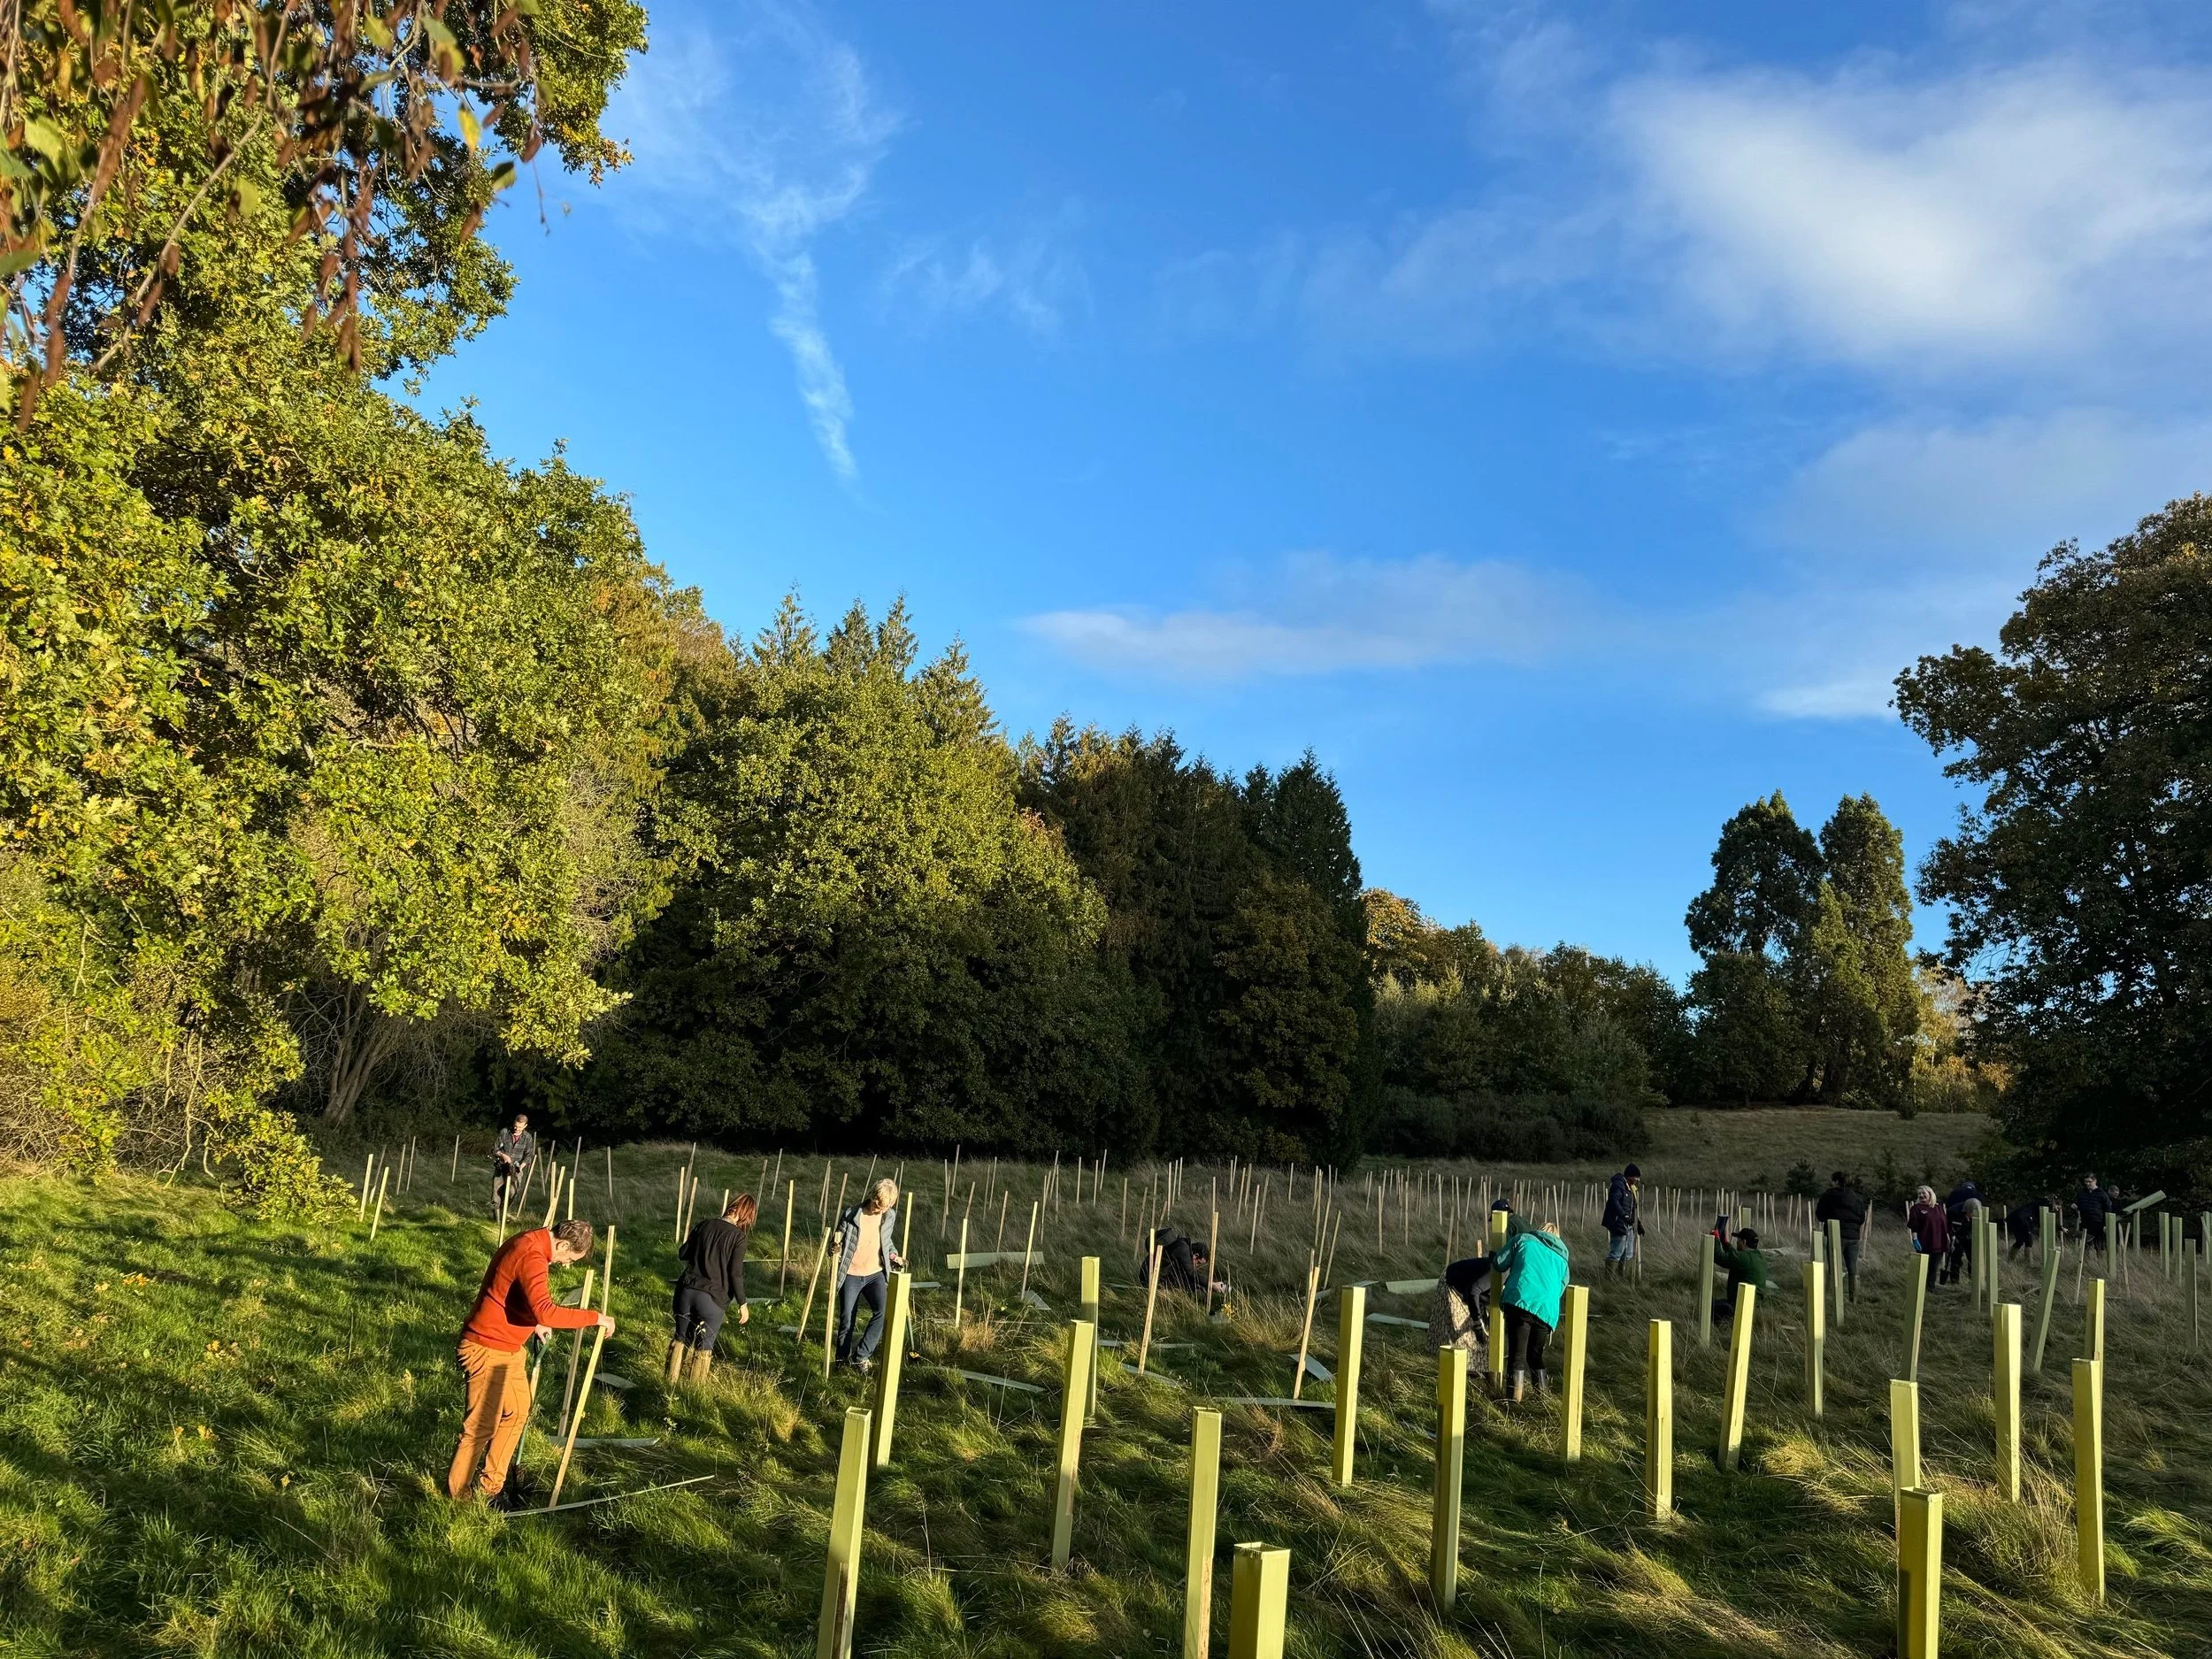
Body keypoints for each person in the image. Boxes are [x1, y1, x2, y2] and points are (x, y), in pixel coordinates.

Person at [447, 1216, 611, 1507]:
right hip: (485, 1347)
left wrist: (532, 1322)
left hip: (509, 1347)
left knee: (517, 1412)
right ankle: (460, 1499)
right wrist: (594, 1317)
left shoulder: (530, 1240)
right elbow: (547, 1310)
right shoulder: (532, 1255)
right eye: (569, 1258)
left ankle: (490, 1488)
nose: (566, 1264)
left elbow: (506, 1288)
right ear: (561, 1243)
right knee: (481, 1426)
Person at [669, 1192, 757, 1385]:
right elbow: (735, 1274)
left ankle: (669, 1383)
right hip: (713, 1299)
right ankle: (694, 1393)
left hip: (686, 1291)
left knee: (680, 1339)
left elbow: (683, 1253)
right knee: (704, 1347)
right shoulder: (739, 1238)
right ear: (746, 1215)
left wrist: (697, 1238)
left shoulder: (704, 1224)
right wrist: (742, 1303)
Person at [833, 1179, 906, 1373]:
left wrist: (893, 1256)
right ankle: (841, 1361)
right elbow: (837, 1241)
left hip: (875, 1273)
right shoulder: (851, 1215)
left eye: (884, 1208)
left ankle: (861, 1357)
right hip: (851, 1274)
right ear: (872, 1198)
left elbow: (886, 1241)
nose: (878, 1210)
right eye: (877, 1205)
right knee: (847, 1319)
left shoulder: (889, 1216)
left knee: (882, 1312)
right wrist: (835, 1248)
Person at [1493, 1219, 1570, 1402]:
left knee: (1517, 1356)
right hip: (1546, 1311)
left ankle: (1512, 1403)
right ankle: (1543, 1401)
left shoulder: (1523, 1240)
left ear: (1539, 1230)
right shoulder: (1562, 1260)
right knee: (1535, 1356)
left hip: (1520, 1301)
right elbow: (1560, 1288)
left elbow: (1499, 1263)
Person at [1813, 1171, 1870, 1302]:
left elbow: (1820, 1214)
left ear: (1836, 1181)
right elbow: (1862, 1218)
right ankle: (1853, 1299)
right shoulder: (1857, 1198)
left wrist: (1829, 1219)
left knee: (1834, 1267)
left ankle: (1834, 1298)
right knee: (1853, 1268)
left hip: (1836, 1234)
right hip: (1854, 1237)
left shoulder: (1829, 1195)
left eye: (1832, 1180)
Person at [1427, 1254, 1492, 1356]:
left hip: (1472, 1292)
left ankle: (1475, 1368)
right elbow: (1473, 1292)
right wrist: (1477, 1323)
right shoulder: (1496, 1273)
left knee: (1481, 1339)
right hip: (1453, 1283)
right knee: (1456, 1334)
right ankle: (1447, 1361)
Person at [1710, 1220, 1768, 1330]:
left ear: (1744, 1242)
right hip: (1754, 1305)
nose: (1736, 1242)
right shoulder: (1757, 1257)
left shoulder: (1745, 1259)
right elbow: (1736, 1256)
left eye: (1738, 1240)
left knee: (1710, 1308)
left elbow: (1719, 1258)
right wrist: (1725, 1242)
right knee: (1717, 1304)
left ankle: (1722, 1329)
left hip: (1741, 1306)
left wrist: (1715, 1239)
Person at [1140, 1229, 1225, 1297]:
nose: (1197, 1265)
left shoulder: (1181, 1247)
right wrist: (1211, 1284)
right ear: (1195, 1255)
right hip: (1149, 1277)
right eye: (1198, 1262)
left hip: (1152, 1275)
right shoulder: (1183, 1250)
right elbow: (1191, 1274)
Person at [490, 1112, 535, 1220]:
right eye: (515, 1126)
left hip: (516, 1169)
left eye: (519, 1127)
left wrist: (521, 1166)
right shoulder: (505, 1132)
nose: (516, 1128)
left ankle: (504, 1212)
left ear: (525, 1126)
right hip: (501, 1168)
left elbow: (529, 1156)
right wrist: (503, 1155)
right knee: (496, 1194)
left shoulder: (528, 1138)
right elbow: (494, 1150)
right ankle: (496, 1220)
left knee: (512, 1193)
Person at [1601, 1164, 1642, 1276]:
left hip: (1629, 1225)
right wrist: (1625, 1216)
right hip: (1617, 1223)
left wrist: (1637, 1223)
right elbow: (1614, 1201)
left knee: (1628, 1253)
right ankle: (1610, 1280)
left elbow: (1632, 1208)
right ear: (1629, 1176)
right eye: (1636, 1177)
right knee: (1616, 1252)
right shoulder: (1618, 1185)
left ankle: (1623, 1278)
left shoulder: (1631, 1189)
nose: (1637, 1180)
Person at [1941, 1181, 1982, 1286]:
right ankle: (1954, 1281)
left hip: (1970, 1234)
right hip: (1957, 1233)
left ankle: (1973, 1281)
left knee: (1973, 1257)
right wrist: (1952, 1238)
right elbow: (1948, 1225)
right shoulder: (1953, 1211)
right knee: (1955, 1256)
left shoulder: (1977, 1206)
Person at [1908, 1185, 1951, 1275]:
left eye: (1924, 1193)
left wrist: (1947, 1237)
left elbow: (1945, 1224)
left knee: (1933, 1267)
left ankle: (1931, 1287)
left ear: (1930, 1194)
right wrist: (1915, 1239)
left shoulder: (1938, 1207)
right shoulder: (1916, 1208)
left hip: (1939, 1242)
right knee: (1923, 1267)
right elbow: (1914, 1226)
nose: (1921, 1195)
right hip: (1924, 1242)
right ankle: (1920, 1287)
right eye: (1919, 1193)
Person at [2076, 1174, 2112, 1254]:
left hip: (2098, 1223)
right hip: (2085, 1222)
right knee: (2085, 1245)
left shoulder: (2102, 1194)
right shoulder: (2082, 1193)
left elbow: (2108, 1209)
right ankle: (2085, 1263)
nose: (2087, 1183)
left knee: (2099, 1245)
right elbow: (2078, 1204)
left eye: (2090, 1182)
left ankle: (2098, 1263)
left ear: (2095, 1181)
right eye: (2086, 1182)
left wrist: (2106, 1224)